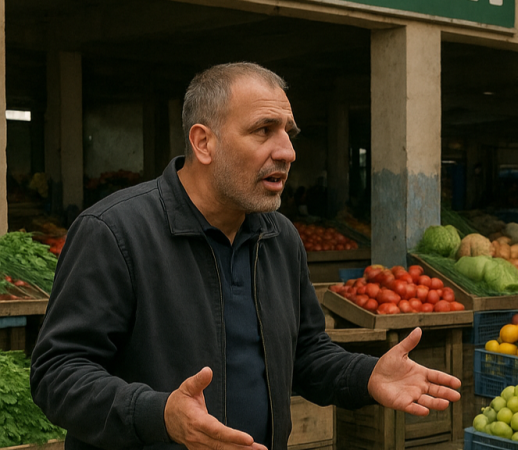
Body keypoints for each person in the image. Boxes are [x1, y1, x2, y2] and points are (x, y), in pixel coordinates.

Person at [29, 62, 461, 450]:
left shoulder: (280, 237)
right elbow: (58, 374)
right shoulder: (114, 232)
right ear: (203, 142)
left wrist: (367, 375)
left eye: (288, 134)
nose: (287, 151)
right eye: (263, 130)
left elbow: (306, 355)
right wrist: (159, 415)